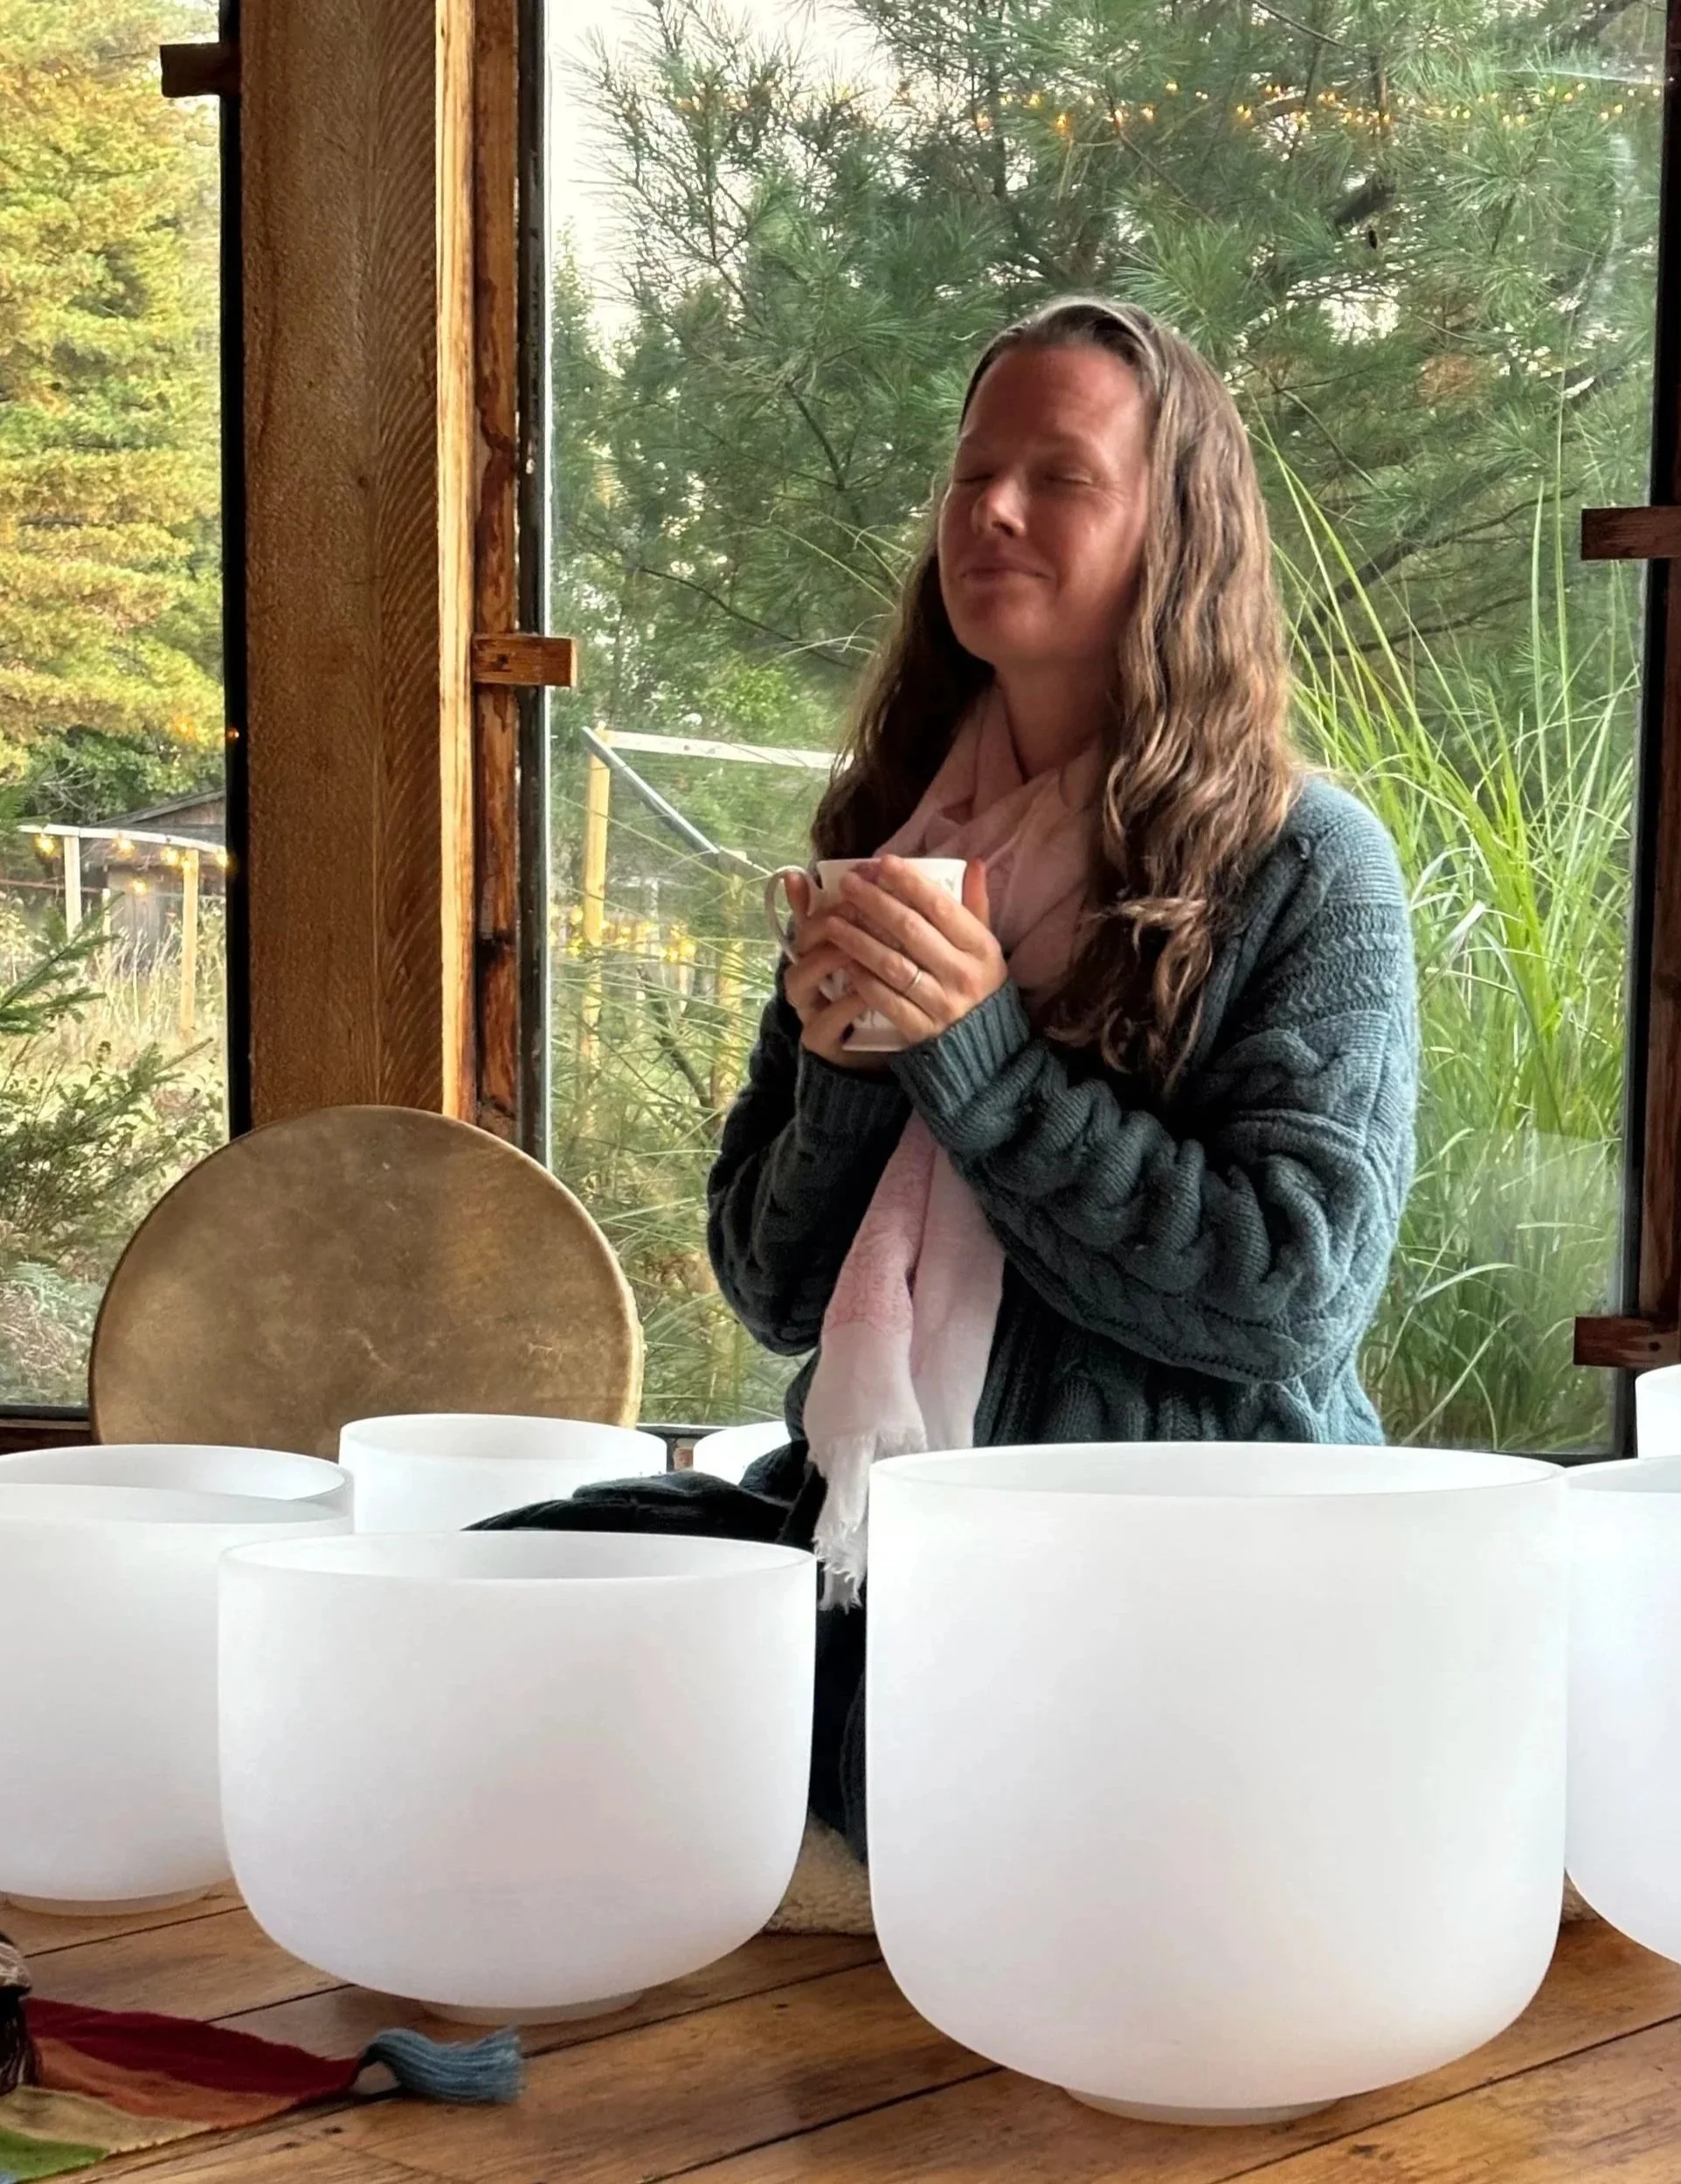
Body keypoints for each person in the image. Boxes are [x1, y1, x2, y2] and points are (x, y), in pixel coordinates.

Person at [482, 296, 1418, 1901]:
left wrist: (977, 1060)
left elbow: (1291, 1296)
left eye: (1060, 477)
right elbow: (774, 1291)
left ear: (1174, 528)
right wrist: (852, 1076)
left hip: (1166, 1560)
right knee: (473, 1603)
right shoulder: (894, 836)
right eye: (973, 472)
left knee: (886, 1775)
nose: (989, 510)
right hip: (868, 1523)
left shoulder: (1306, 865)